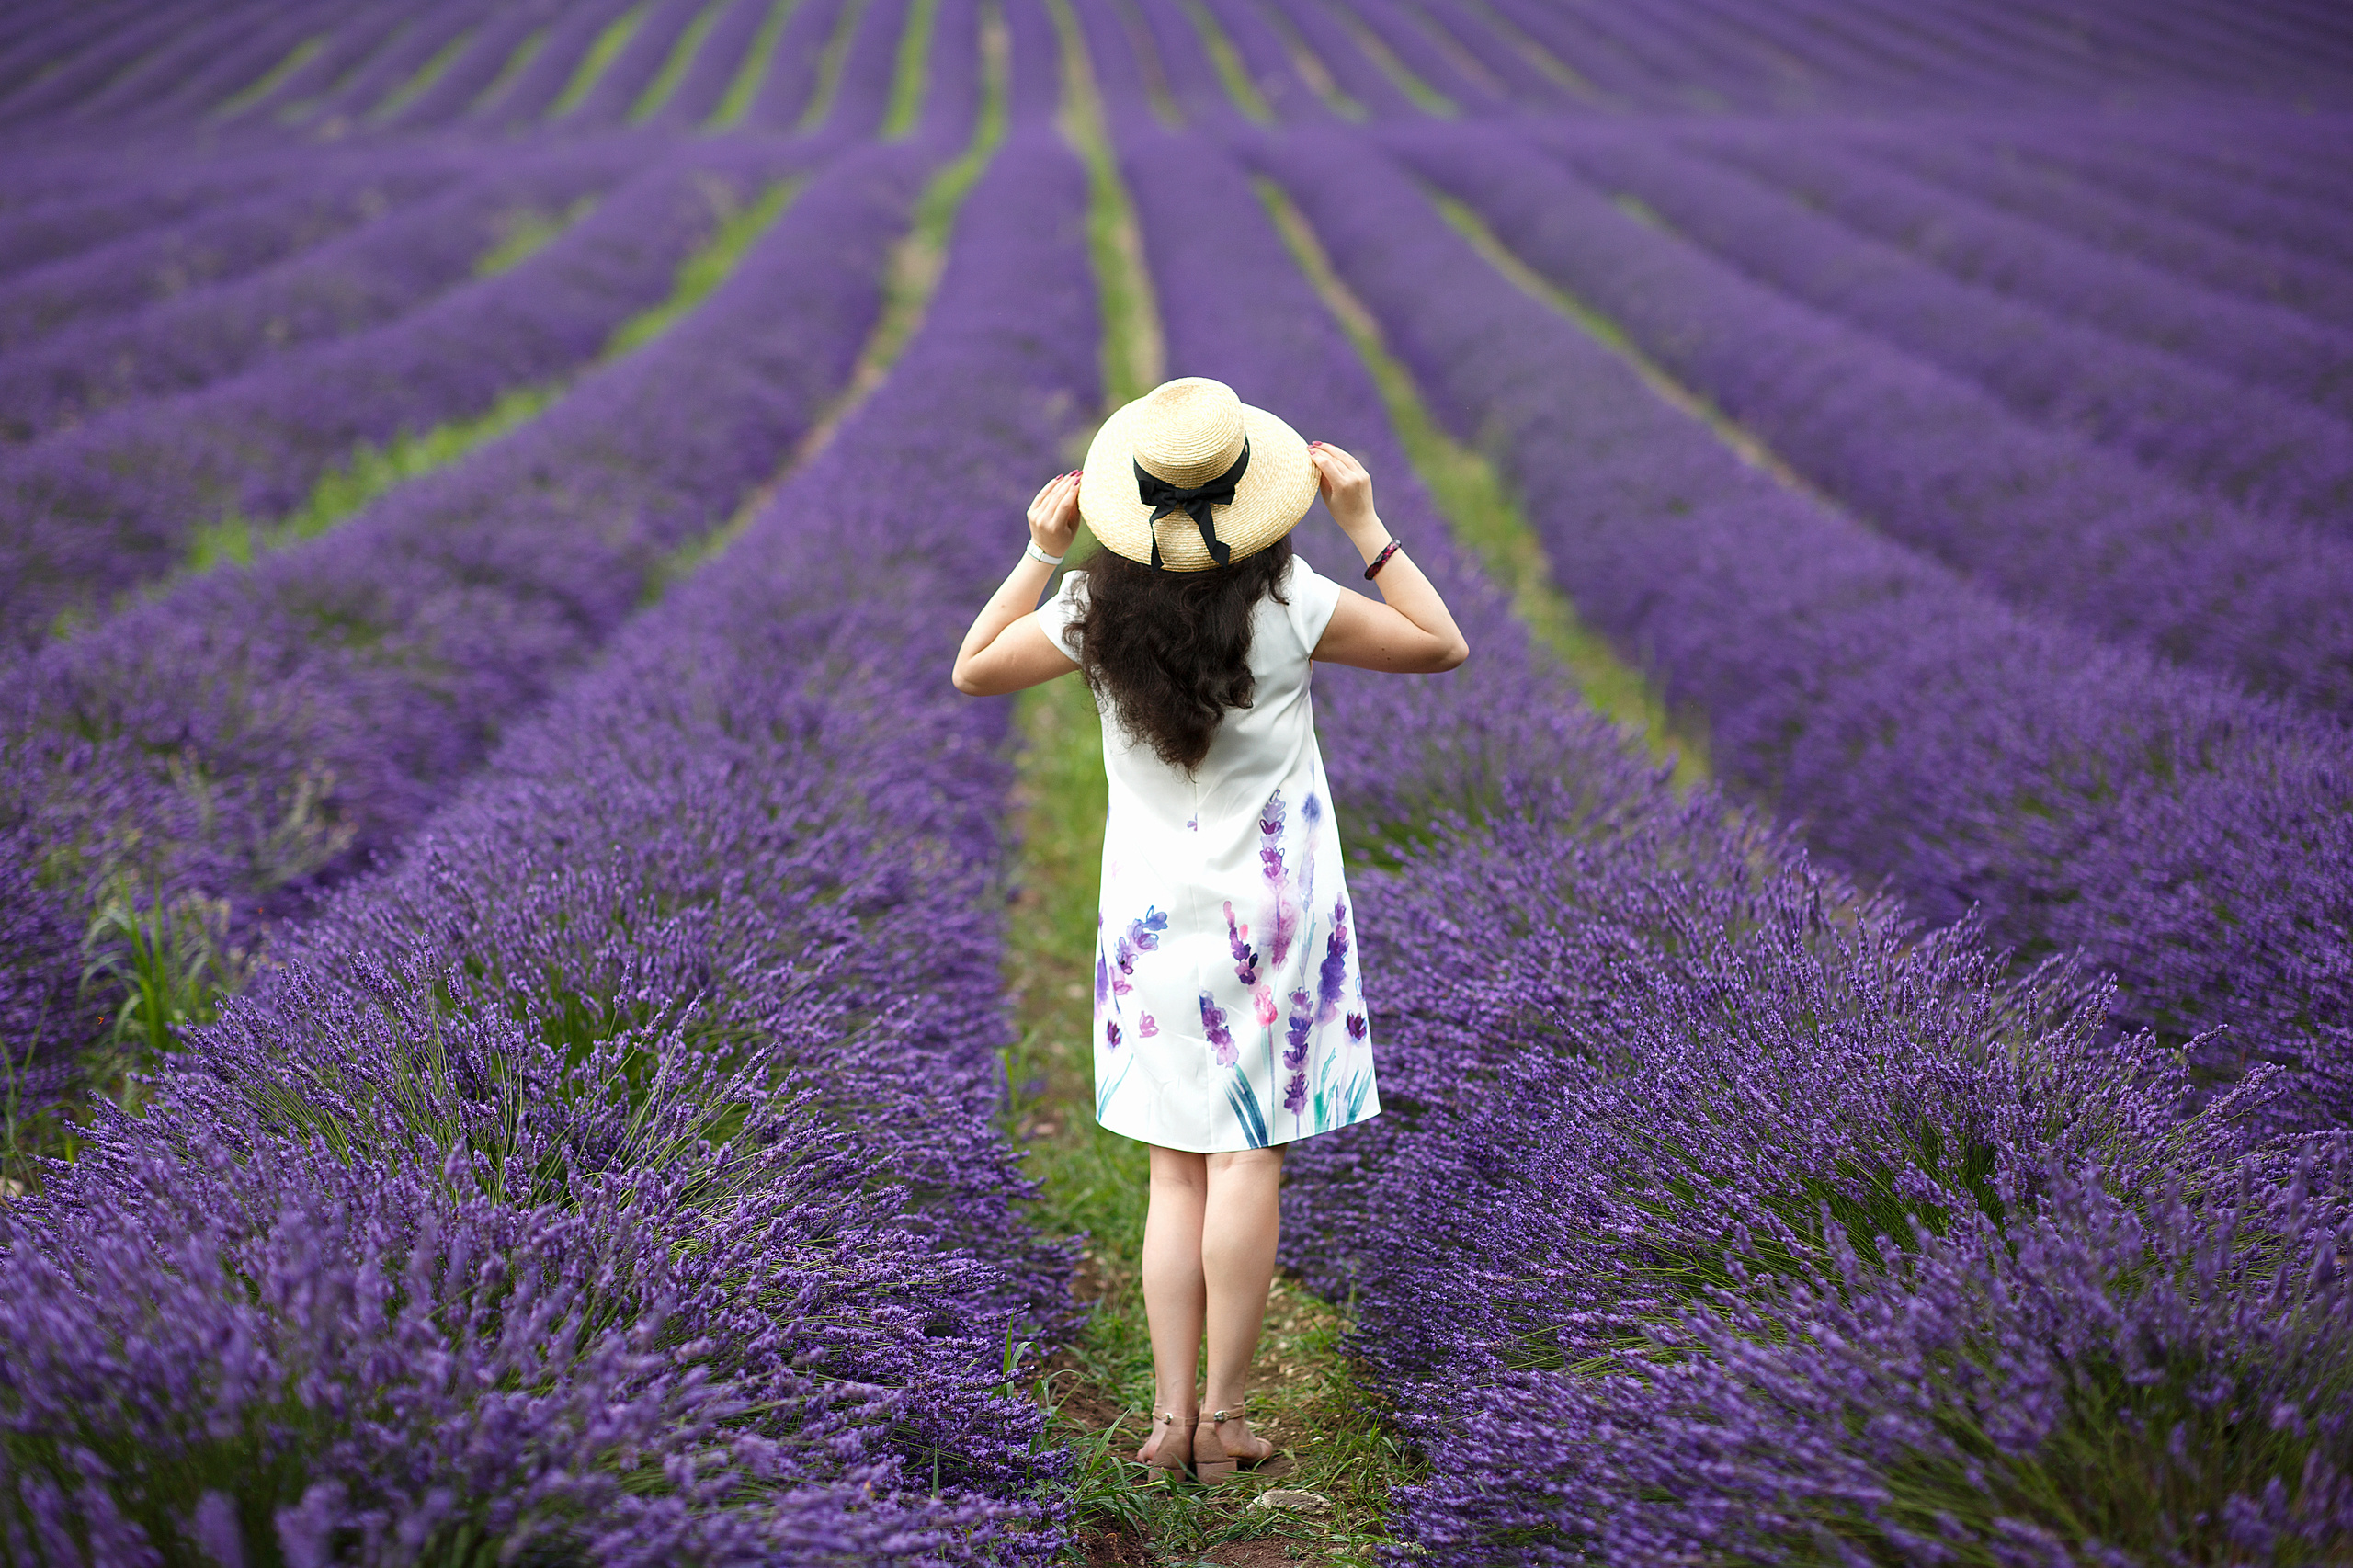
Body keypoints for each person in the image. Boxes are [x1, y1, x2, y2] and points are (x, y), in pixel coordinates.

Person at [951, 377, 1468, 1484]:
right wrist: (1367, 521)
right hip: (1276, 916)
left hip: (1149, 921)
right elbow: (1441, 644)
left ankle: (1165, 1418)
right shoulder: (1293, 600)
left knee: (1172, 1173)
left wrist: (1040, 551)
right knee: (1248, 1158)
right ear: (1254, 498)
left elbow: (973, 667)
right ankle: (1227, 1419)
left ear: (1128, 500)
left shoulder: (1092, 611)